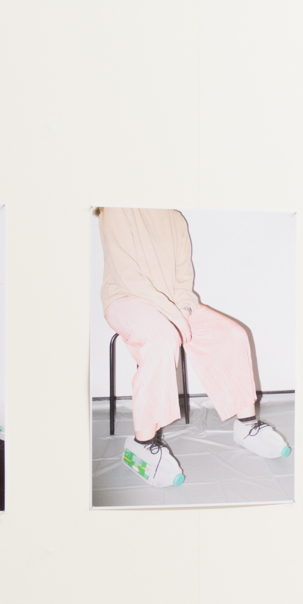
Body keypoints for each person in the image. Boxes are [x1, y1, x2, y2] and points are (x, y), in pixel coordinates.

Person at [97, 207, 289, 486]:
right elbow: (127, 276)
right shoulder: (116, 209)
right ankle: (143, 442)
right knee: (161, 339)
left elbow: (183, 277)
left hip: (173, 304)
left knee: (231, 335)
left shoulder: (174, 216)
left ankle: (247, 425)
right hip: (126, 299)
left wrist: (184, 309)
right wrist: (172, 316)